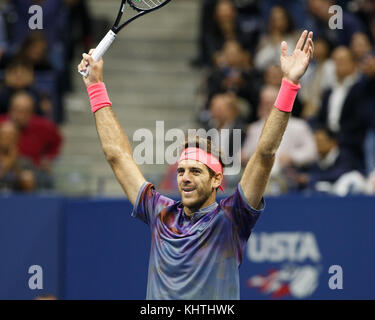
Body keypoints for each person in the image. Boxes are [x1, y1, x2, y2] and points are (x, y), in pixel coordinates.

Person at [78, 30, 314, 300]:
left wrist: (289, 84)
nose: (185, 178)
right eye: (181, 171)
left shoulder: (232, 218)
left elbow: (264, 154)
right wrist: (95, 85)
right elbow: (117, 155)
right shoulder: (159, 212)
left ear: (217, 180)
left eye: (195, 171)